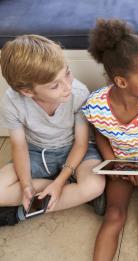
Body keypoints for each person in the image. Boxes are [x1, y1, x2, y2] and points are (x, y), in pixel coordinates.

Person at [82, 19, 138, 261]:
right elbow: (100, 135)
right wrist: (115, 166)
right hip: (118, 164)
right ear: (121, 82)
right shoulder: (96, 106)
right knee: (114, 214)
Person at [0, 35, 105, 226]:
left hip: (76, 150)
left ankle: (18, 214)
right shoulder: (12, 102)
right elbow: (19, 147)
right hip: (36, 152)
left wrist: (59, 183)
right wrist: (25, 186)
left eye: (67, 73)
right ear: (27, 92)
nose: (67, 86)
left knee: (95, 185)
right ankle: (74, 193)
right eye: (55, 85)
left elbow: (81, 143)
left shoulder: (78, 93)